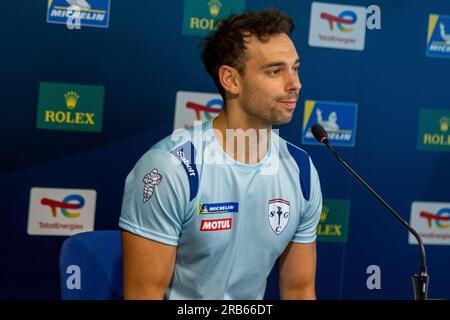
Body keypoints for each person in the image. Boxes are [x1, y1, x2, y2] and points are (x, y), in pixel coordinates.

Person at [119, 9, 323, 300]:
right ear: (231, 80)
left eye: (296, 68)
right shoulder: (171, 168)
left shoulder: (300, 170)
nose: (295, 84)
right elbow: (143, 295)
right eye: (276, 71)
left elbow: (300, 291)